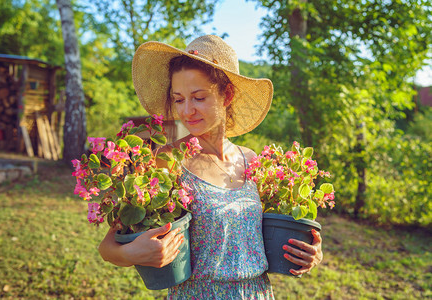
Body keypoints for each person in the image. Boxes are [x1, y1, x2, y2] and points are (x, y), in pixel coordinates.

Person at [98, 35, 323, 299]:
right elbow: (108, 246)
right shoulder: (167, 161)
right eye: (179, 99)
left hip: (257, 292)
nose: (187, 111)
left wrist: (310, 254)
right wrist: (130, 253)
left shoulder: (251, 161)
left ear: (226, 95)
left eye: (198, 97)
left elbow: (267, 236)